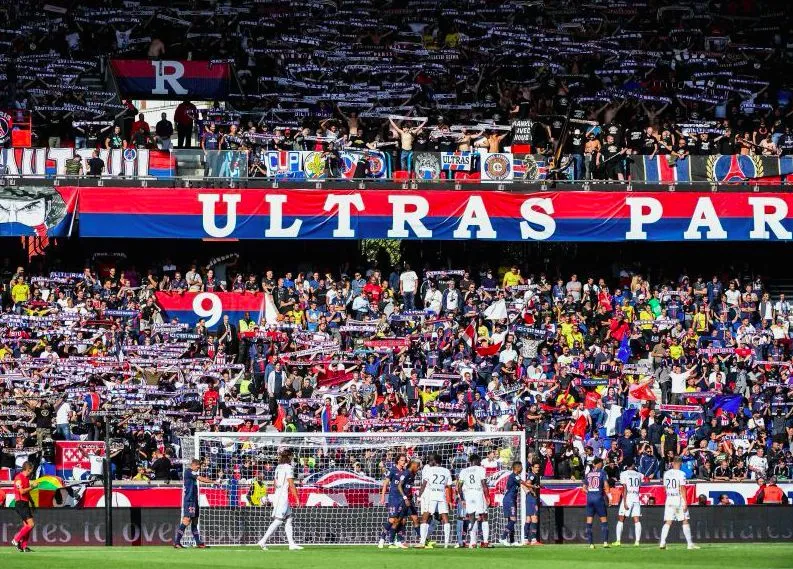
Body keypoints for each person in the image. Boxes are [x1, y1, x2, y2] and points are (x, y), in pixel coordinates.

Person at [257, 449, 303, 550]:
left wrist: (275, 494)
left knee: (289, 518)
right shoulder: (289, 468)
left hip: (278, 494)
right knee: (278, 520)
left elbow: (274, 482)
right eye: (292, 456)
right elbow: (291, 484)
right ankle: (263, 541)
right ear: (289, 457)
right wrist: (297, 499)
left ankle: (291, 544)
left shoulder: (278, 467)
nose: (292, 458)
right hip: (282, 497)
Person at [660, 456, 699, 550]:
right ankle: (690, 544)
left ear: (673, 463)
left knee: (668, 521)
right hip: (678, 499)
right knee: (684, 520)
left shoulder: (666, 473)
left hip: (669, 498)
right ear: (681, 463)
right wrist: (685, 502)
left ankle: (662, 542)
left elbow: (664, 487)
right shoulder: (681, 473)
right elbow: (682, 488)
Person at [173, 459, 213, 548]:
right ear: (193, 465)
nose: (198, 469)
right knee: (186, 521)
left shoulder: (193, 473)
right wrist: (214, 482)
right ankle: (177, 542)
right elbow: (201, 478)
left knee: (195, 521)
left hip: (194, 500)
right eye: (198, 467)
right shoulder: (188, 472)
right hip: (189, 500)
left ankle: (198, 543)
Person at [416, 454, 452, 548]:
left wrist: (419, 497)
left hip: (431, 495)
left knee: (425, 517)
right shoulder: (446, 471)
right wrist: (450, 500)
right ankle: (446, 544)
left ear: (434, 461)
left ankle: (422, 542)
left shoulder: (429, 469)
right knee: (445, 518)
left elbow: (424, 484)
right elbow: (449, 486)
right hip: (442, 495)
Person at [458, 453, 491, 548]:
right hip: (478, 493)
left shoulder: (463, 471)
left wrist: (463, 499)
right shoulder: (481, 469)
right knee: (484, 516)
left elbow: (459, 487)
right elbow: (484, 484)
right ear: (477, 461)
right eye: (479, 461)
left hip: (468, 495)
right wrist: (487, 497)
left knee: (472, 518)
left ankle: (472, 542)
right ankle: (485, 541)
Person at [378, 453, 408, 548]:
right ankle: (382, 538)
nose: (404, 462)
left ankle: (398, 541)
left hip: (402, 498)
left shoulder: (405, 472)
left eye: (405, 460)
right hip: (393, 498)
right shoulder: (392, 471)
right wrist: (383, 497)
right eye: (402, 460)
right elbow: (385, 483)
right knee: (392, 519)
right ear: (398, 461)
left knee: (402, 520)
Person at [11, 461, 38, 552]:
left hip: (25, 503)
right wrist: (32, 487)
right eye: (31, 470)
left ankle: (24, 546)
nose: (32, 472)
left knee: (27, 526)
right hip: (20, 503)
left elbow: (27, 493)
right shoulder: (18, 478)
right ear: (28, 469)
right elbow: (22, 492)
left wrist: (32, 502)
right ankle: (16, 539)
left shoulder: (26, 478)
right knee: (31, 524)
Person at [614, 463, 643, 546]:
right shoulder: (639, 474)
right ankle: (637, 541)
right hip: (636, 497)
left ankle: (618, 541)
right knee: (636, 519)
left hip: (628, 497)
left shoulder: (623, 474)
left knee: (621, 518)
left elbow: (625, 488)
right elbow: (639, 487)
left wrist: (625, 501)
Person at [584, 457, 610, 549]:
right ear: (598, 463)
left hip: (590, 498)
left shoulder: (588, 474)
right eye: (601, 463)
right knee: (604, 520)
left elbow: (584, 488)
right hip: (599, 498)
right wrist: (609, 497)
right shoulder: (602, 472)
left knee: (589, 521)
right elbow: (606, 486)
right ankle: (605, 542)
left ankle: (591, 544)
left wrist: (591, 492)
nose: (602, 465)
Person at [499, 461, 526, 547]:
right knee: (513, 520)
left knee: (511, 520)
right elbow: (524, 483)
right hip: (509, 500)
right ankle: (503, 538)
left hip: (511, 499)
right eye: (521, 467)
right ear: (517, 468)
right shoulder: (514, 476)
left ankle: (512, 540)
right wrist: (533, 486)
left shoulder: (515, 476)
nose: (522, 469)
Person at [523, 461, 542, 546]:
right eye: (536, 467)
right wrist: (532, 491)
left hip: (529, 498)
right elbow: (527, 484)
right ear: (532, 468)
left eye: (538, 467)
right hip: (532, 499)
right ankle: (534, 540)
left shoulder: (534, 475)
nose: (537, 469)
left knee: (528, 519)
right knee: (534, 518)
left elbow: (524, 485)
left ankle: (525, 539)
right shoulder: (532, 475)